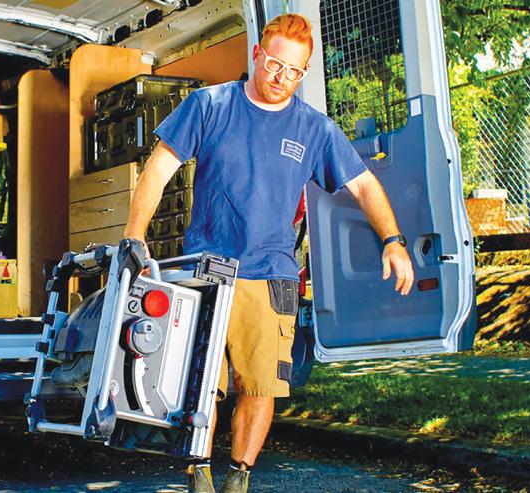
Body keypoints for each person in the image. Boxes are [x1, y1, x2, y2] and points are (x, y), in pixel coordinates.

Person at [121, 13, 415, 493]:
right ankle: (199, 476)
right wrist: (135, 235)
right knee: (200, 386)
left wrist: (394, 242)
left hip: (271, 276)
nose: (282, 78)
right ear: (257, 54)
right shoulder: (210, 105)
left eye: (294, 71)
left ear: (304, 73)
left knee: (260, 387)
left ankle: (239, 479)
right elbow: (158, 168)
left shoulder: (313, 128)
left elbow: (363, 184)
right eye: (276, 64)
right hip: (206, 273)